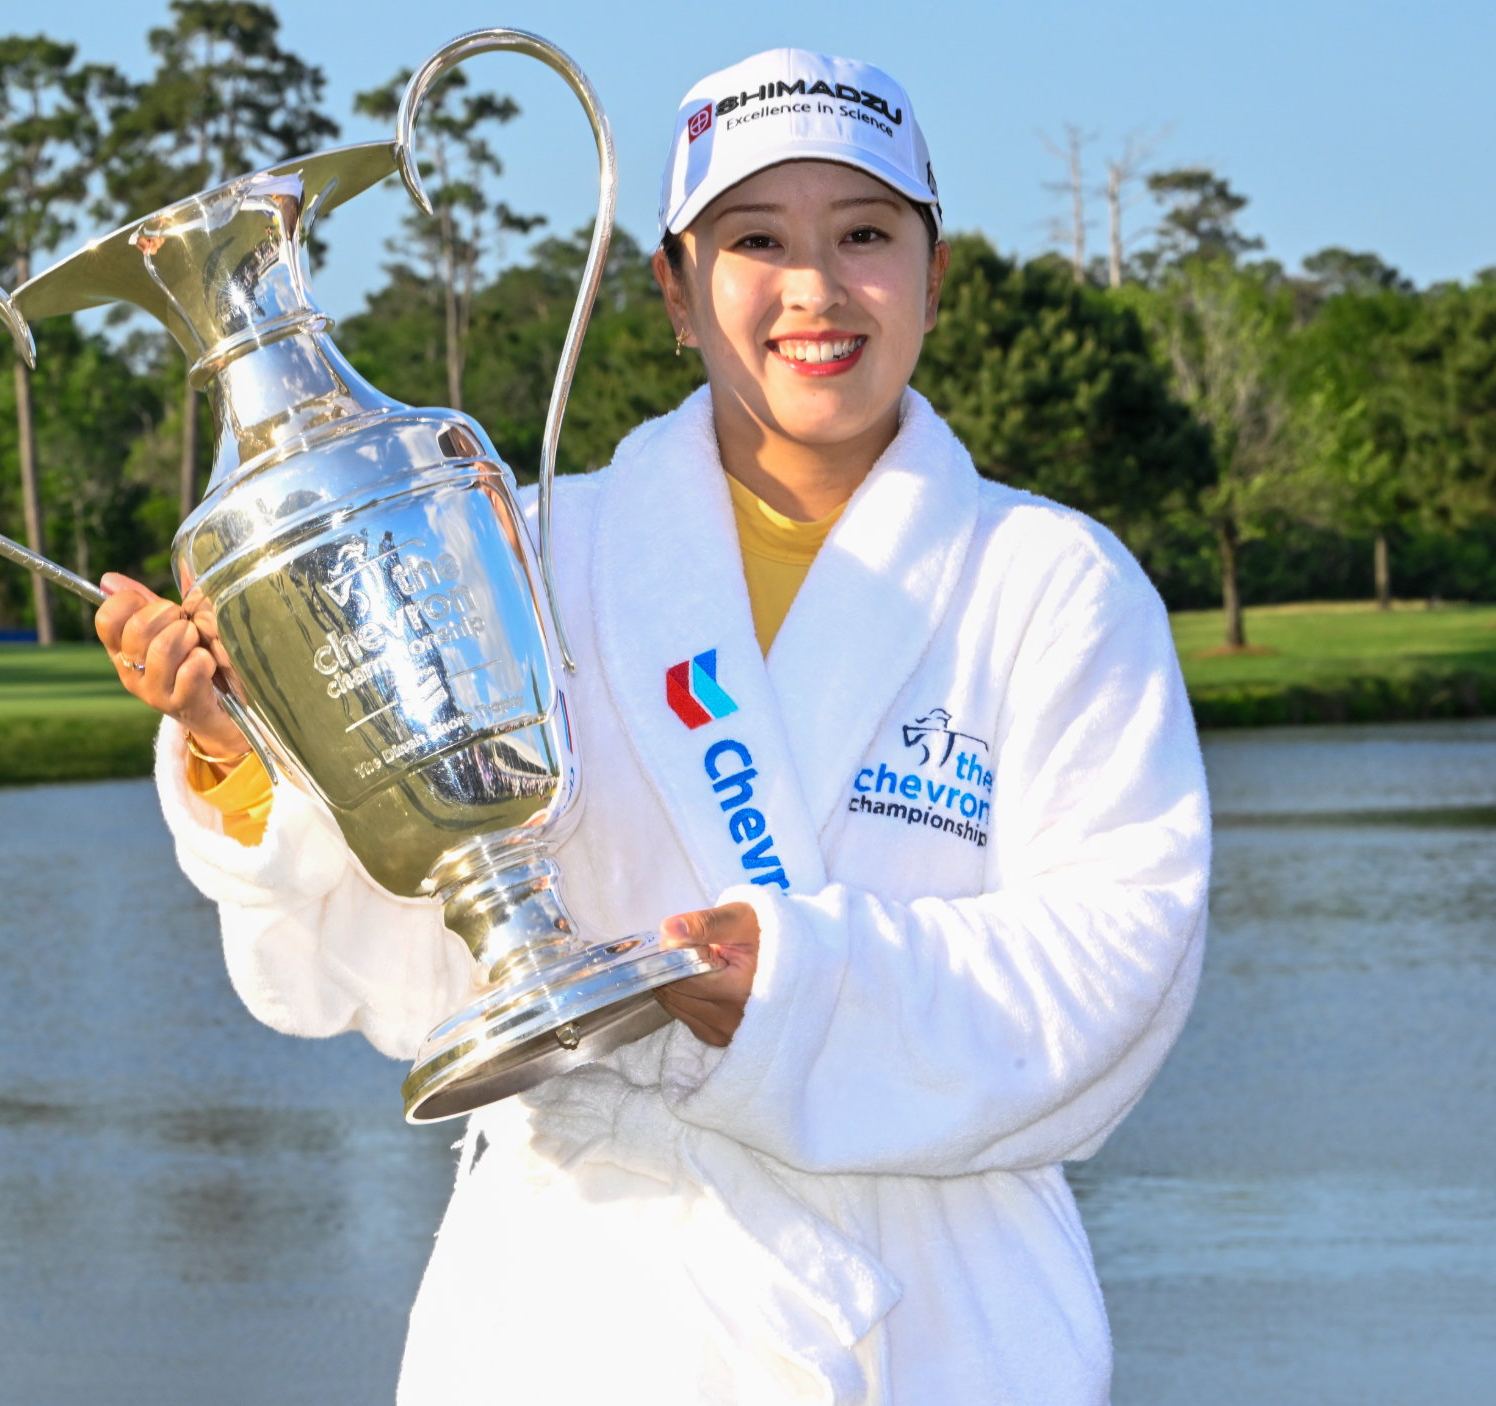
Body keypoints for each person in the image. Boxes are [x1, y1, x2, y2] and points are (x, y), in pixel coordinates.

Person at [95, 47, 1209, 1405]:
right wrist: (235, 749)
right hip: (579, 1313)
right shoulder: (534, 551)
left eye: (865, 234)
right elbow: (391, 978)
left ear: (935, 271)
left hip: (940, 1322)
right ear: (677, 292)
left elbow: (1116, 973)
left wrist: (790, 984)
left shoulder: (1054, 584)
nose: (815, 290)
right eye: (755, 241)